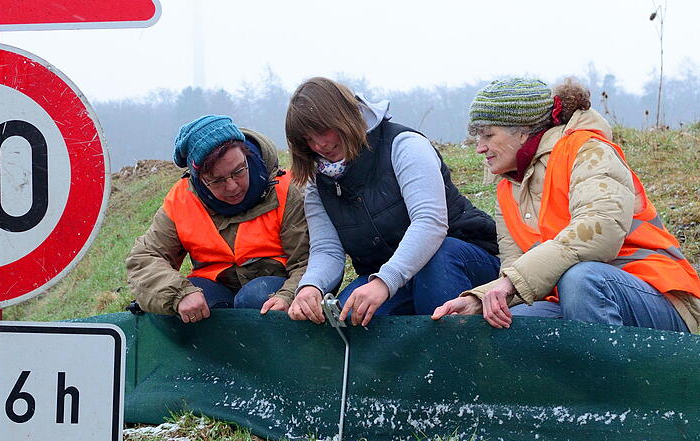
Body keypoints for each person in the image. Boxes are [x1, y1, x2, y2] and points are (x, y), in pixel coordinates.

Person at [432, 77, 700, 332]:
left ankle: (615, 381)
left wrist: (510, 283)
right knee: (506, 326)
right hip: (574, 302)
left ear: (523, 132)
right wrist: (480, 301)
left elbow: (600, 232)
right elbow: (517, 274)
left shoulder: (587, 150)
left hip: (661, 296)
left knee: (582, 278)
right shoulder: (507, 188)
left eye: (488, 135)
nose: (479, 147)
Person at [284, 77, 500, 327]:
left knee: (438, 264)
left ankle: (457, 359)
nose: (320, 145)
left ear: (343, 117)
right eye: (308, 140)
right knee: (351, 316)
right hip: (389, 274)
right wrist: (311, 286)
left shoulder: (404, 144)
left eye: (323, 131)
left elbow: (430, 222)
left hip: (460, 257)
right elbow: (326, 248)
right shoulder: (316, 180)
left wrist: (385, 281)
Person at [126, 115, 309, 323]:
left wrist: (288, 295)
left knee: (255, 296)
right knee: (178, 308)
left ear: (246, 154)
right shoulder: (182, 200)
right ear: (198, 178)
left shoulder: (287, 190)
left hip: (275, 291)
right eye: (217, 180)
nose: (232, 186)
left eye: (238, 171)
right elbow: (144, 259)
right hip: (215, 292)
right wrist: (179, 294)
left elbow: (308, 260)